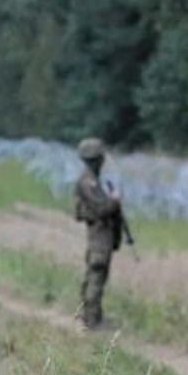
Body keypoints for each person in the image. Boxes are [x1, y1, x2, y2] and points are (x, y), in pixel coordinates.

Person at [73, 138, 122, 330]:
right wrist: (115, 201)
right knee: (96, 275)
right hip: (99, 237)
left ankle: (92, 316)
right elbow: (101, 208)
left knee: (96, 276)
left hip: (102, 236)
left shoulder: (92, 180)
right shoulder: (88, 183)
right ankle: (92, 321)